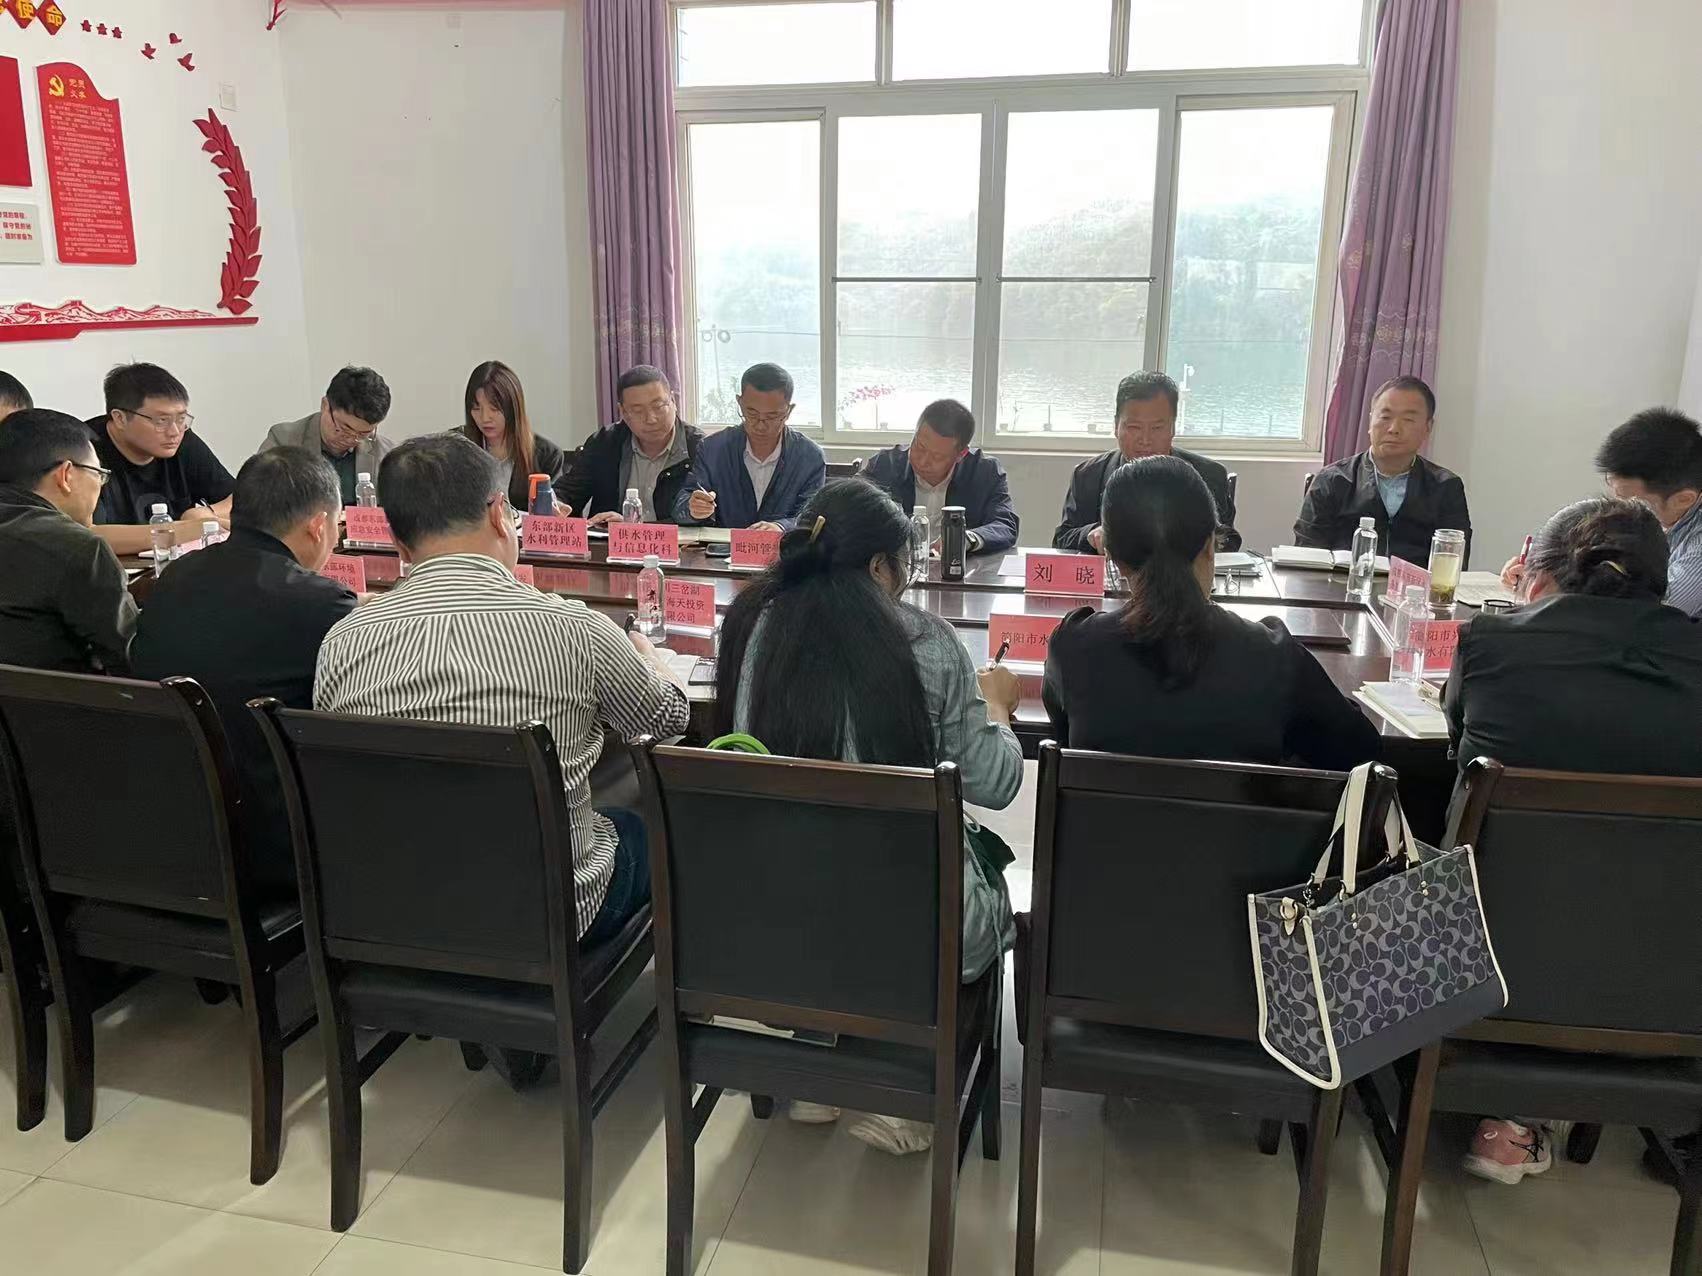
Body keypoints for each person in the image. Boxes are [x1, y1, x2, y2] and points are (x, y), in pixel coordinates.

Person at [715, 478, 1022, 1155]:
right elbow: (997, 783)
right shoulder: (929, 643)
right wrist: (998, 709)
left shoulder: (757, 626)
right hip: (910, 931)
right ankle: (910, 1089)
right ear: (882, 566)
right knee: (945, 877)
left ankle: (817, 1063)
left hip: (784, 916)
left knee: (820, 851)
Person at [316, 433, 690, 948]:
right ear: (499, 514)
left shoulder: (342, 640)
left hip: (393, 909)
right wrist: (656, 662)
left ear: (397, 541)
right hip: (548, 916)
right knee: (643, 826)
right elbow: (665, 719)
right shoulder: (574, 629)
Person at [1443, 495, 1702, 1186]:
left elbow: (1458, 763)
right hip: (1670, 976)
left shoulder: (1493, 643)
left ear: (1539, 574)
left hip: (1484, 961)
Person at [1044, 456, 1379, 770]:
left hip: (1109, 818)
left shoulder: (1074, 646)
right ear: (1209, 545)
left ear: (1113, 557)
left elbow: (1066, 735)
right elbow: (1361, 751)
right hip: (1245, 817)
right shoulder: (1271, 654)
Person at [131, 447, 356, 895]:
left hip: (166, 830)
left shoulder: (173, 577)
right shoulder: (322, 604)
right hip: (276, 847)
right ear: (318, 525)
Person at [0, 407, 136, 673]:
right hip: (53, 697)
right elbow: (131, 656)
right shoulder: (77, 546)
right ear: (66, 474)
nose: (100, 486)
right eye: (99, 474)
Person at [1054, 371, 1240, 553]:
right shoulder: (1088, 476)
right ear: (1116, 426)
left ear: (1173, 428)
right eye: (1134, 427)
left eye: (1157, 428)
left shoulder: (1209, 475)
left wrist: (1190, 535)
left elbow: (1229, 541)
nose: (1145, 440)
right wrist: (1093, 534)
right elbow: (1063, 539)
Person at [1293, 376, 1472, 565]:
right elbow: (1307, 557)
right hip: (1343, 582)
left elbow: (1454, 562)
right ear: (1370, 422)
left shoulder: (1446, 487)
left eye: (1408, 419)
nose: (1394, 429)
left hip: (1416, 584)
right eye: (1385, 417)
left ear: (1428, 428)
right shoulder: (1332, 481)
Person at [86, 362, 235, 556]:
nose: (174, 431)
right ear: (120, 418)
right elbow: (88, 534)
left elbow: (242, 499)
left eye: (181, 419)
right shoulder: (85, 451)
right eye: (161, 421)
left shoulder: (182, 442)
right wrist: (183, 530)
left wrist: (208, 514)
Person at [673, 362, 825, 532]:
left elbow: (812, 516)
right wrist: (693, 508)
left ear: (789, 411)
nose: (760, 425)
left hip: (784, 547)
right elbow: (682, 504)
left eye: (772, 416)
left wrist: (781, 527)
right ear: (739, 403)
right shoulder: (713, 449)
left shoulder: (809, 456)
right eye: (752, 413)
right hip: (724, 547)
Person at [859, 399, 1019, 555]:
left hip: (961, 569)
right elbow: (851, 509)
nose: (923, 461)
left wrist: (966, 539)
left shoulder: (984, 472)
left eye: (937, 456)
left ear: (961, 454)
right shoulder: (885, 464)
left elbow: (1005, 524)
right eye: (920, 447)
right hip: (895, 567)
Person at [559, 365, 703, 524]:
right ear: (623, 412)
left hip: (677, 541)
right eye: (638, 411)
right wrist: (556, 503)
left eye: (658, 407)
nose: (651, 419)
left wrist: (633, 528)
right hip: (609, 540)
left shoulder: (700, 448)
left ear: (673, 401)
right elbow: (568, 492)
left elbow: (706, 518)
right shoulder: (604, 442)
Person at [1593, 408, 1701, 618]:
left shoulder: (1697, 549)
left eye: (1632, 501)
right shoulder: (1660, 515)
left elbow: (1648, 615)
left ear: (1684, 499)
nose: (1617, 508)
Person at [259, 366, 396, 507]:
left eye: (363, 434)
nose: (352, 439)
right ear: (325, 406)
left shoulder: (386, 454)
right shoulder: (283, 441)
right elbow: (259, 499)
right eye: (344, 428)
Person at [461, 360, 572, 513]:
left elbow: (553, 507)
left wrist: (555, 508)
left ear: (513, 407)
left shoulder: (547, 455)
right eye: (476, 408)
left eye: (494, 408)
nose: (485, 418)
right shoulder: (457, 448)